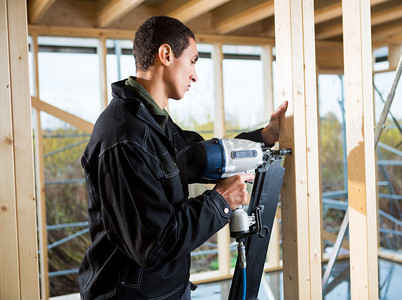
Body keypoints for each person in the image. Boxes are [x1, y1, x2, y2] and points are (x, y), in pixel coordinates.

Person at [79, 15, 288, 300]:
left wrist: (265, 137)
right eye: (192, 61)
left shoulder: (152, 122)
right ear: (166, 55)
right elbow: (154, 244)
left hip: (166, 290)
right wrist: (220, 202)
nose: (195, 75)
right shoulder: (124, 137)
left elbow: (199, 157)